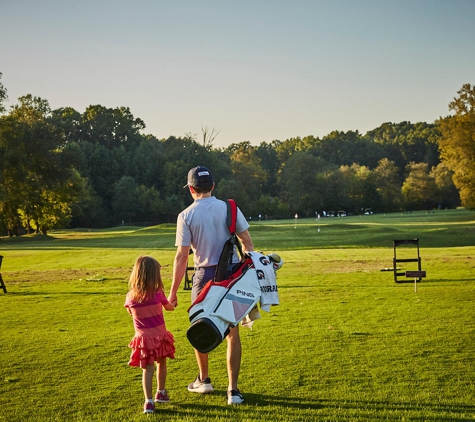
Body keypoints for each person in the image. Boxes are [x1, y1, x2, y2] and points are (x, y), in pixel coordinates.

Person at [168, 166, 254, 405]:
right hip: (232, 276)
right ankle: (233, 391)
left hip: (203, 277)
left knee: (200, 328)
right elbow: (246, 242)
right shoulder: (230, 208)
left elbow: (182, 257)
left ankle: (204, 380)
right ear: (213, 186)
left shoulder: (186, 215)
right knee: (233, 333)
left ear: (191, 189)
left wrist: (173, 292)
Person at [125, 255, 176, 414]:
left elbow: (130, 312)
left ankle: (148, 401)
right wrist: (173, 301)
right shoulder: (158, 294)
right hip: (160, 337)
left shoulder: (130, 296)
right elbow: (169, 307)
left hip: (143, 340)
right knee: (161, 364)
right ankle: (161, 392)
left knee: (147, 369)